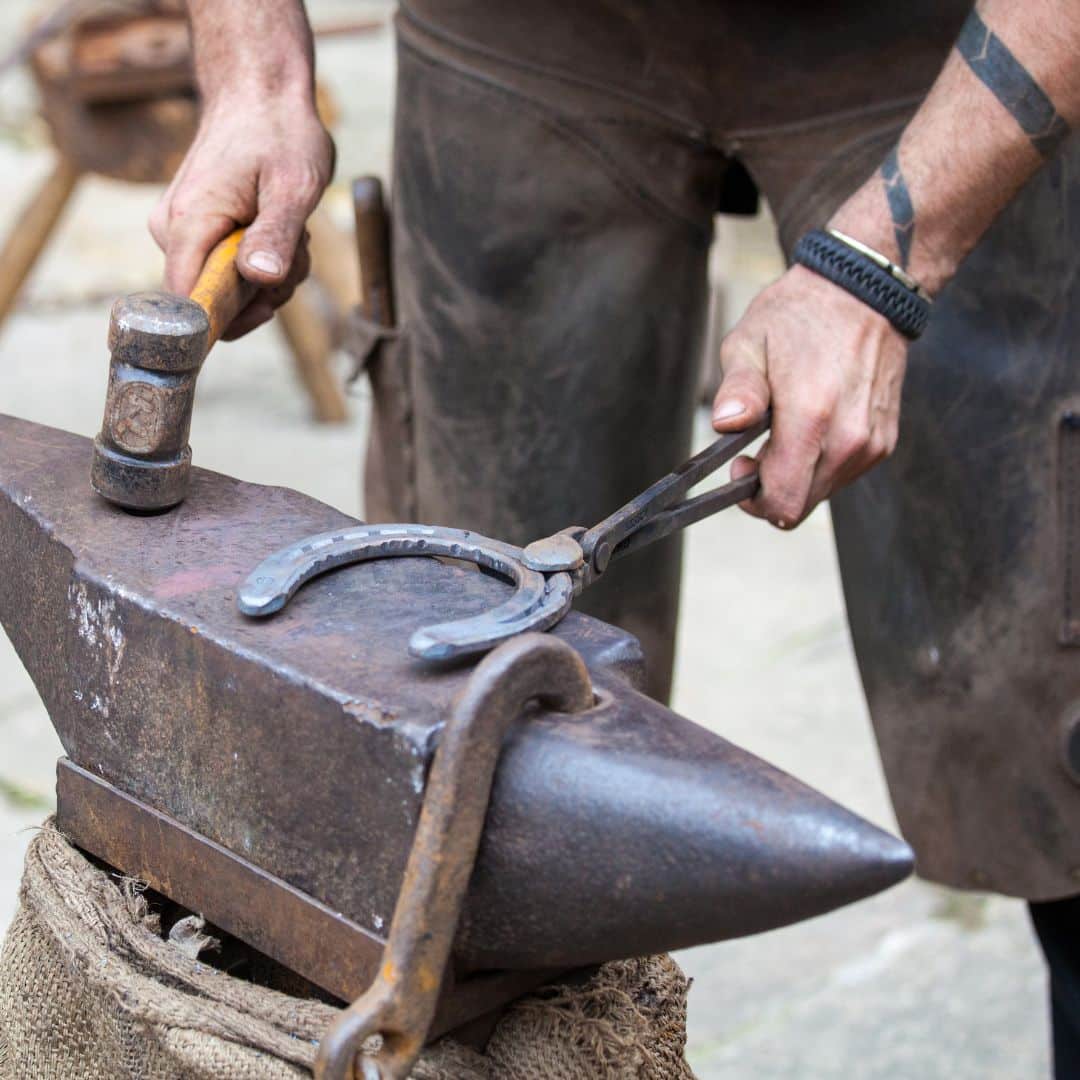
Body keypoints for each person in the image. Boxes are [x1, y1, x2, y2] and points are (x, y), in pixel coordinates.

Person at [152, 2, 1080, 1073]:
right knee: (450, 769)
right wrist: (254, 78)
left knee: (1052, 733)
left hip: (936, 49)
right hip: (524, 43)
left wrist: (883, 265)